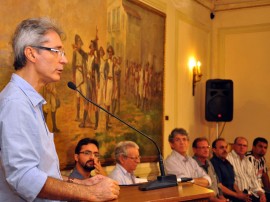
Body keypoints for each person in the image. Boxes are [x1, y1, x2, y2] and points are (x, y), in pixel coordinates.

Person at [0, 17, 119, 201]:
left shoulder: (28, 100)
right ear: (31, 54)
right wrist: (91, 193)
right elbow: (24, 178)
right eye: (56, 51)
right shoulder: (15, 103)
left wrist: (81, 183)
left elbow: (41, 173)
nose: (65, 60)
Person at [227, 137, 266, 202]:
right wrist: (239, 194)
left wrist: (261, 194)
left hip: (250, 194)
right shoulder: (228, 158)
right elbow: (229, 181)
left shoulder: (248, 161)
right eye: (239, 145)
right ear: (234, 146)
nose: (242, 147)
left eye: (244, 146)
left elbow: (254, 182)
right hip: (236, 194)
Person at [192, 137, 227, 202]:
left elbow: (217, 182)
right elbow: (197, 190)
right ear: (194, 150)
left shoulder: (209, 162)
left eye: (207, 147)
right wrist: (216, 200)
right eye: (203, 148)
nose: (206, 150)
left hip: (217, 198)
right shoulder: (191, 164)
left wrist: (222, 197)